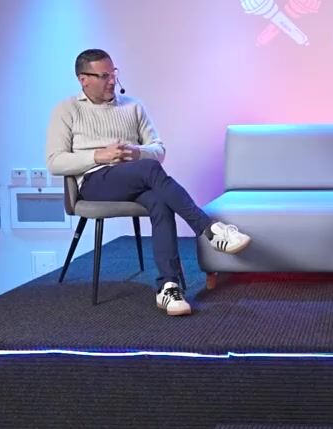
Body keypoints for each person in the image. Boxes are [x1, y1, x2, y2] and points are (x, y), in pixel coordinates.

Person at [47, 48, 251, 316]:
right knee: (150, 170)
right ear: (83, 80)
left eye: (114, 73)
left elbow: (158, 150)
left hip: (136, 177)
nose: (112, 81)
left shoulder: (133, 106)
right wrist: (99, 156)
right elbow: (55, 162)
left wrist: (136, 152)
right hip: (96, 181)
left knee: (159, 201)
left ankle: (168, 286)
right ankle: (209, 229)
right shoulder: (67, 110)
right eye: (104, 76)